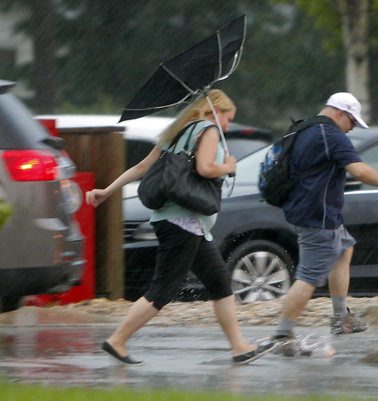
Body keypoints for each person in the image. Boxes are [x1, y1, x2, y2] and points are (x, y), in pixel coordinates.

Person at [86, 89, 273, 365]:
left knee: (220, 282)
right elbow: (205, 168)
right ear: (215, 112)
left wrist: (107, 190)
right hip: (182, 222)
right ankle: (117, 340)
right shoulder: (207, 129)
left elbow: (141, 166)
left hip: (180, 221)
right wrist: (228, 167)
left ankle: (239, 347)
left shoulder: (178, 131)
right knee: (162, 290)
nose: (228, 126)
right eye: (228, 118)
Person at [272, 92, 378, 350]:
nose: (352, 128)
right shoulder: (332, 135)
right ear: (339, 113)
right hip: (317, 215)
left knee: (344, 249)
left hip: (307, 209)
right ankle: (282, 335)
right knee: (308, 277)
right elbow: (358, 169)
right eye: (352, 122)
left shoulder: (305, 128)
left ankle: (340, 318)